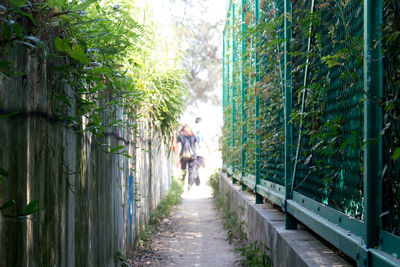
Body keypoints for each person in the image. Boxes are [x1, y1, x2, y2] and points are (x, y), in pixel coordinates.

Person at [176, 124, 199, 190]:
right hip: (193, 155)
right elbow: (196, 146)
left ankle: (181, 185)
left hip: (184, 155)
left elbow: (178, 146)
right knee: (191, 171)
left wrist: (177, 156)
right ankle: (189, 185)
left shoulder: (180, 136)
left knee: (183, 170)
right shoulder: (193, 136)